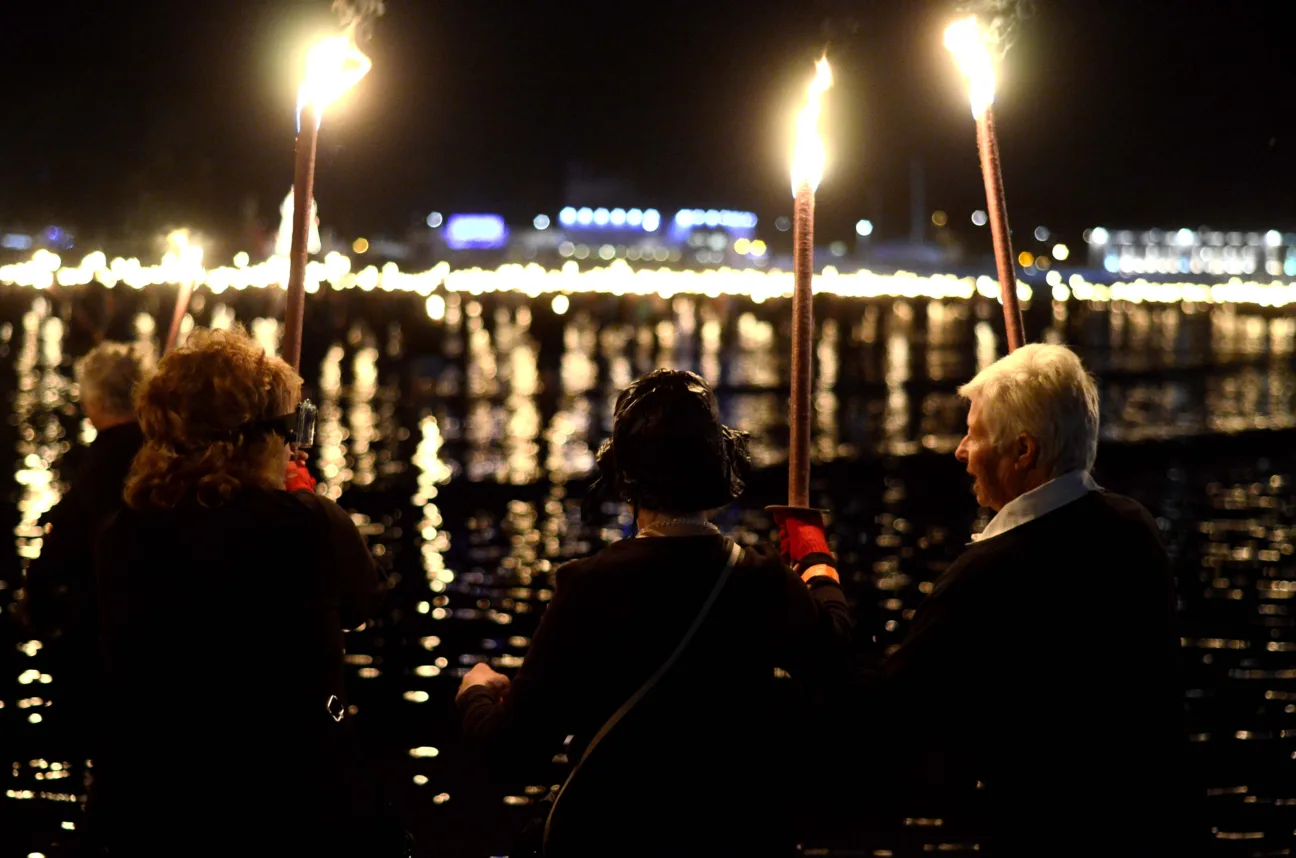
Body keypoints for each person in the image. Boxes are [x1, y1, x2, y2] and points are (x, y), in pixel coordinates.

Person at [456, 369, 851, 858]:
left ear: (623, 476)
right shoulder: (763, 582)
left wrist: (475, 694)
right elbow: (839, 659)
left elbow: (510, 754)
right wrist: (815, 558)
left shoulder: (589, 586)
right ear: (718, 465)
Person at [849, 344, 1187, 857]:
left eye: (975, 434)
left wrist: (820, 584)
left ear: (1023, 451)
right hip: (1154, 825)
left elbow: (883, 713)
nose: (960, 450)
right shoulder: (1133, 526)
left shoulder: (988, 573)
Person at [90, 327, 406, 856]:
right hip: (287, 802)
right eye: (293, 425)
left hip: (153, 800)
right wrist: (304, 503)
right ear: (258, 436)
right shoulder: (306, 526)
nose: (296, 441)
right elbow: (361, 603)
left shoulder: (123, 532)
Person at [20, 341, 152, 760]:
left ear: (93, 397)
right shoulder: (157, 453)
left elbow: (66, 549)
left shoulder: (106, 460)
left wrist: (36, 605)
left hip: (105, 631)